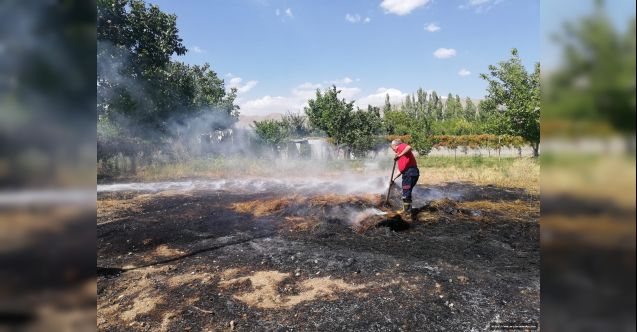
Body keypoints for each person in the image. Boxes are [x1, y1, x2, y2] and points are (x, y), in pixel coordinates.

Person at [390, 139, 420, 213]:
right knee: (407, 192)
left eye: (392, 147)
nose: (392, 149)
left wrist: (399, 155)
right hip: (409, 173)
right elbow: (401, 170)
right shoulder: (400, 154)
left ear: (395, 145)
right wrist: (393, 179)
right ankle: (408, 210)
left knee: (406, 193)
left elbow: (409, 147)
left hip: (410, 173)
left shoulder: (401, 146)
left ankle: (406, 212)